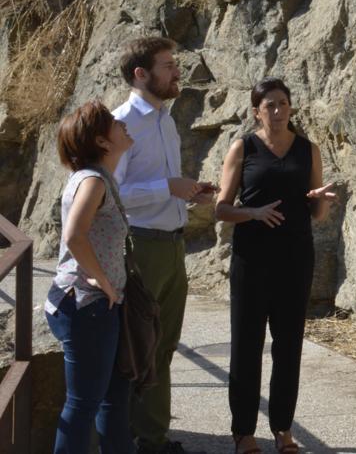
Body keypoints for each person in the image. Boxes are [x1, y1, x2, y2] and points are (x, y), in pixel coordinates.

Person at [214, 78, 336, 454]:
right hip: (252, 260)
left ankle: (283, 429)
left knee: (288, 347)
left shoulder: (307, 150)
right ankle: (244, 432)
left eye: (284, 104)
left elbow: (317, 213)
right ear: (256, 112)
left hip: (295, 259)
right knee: (246, 346)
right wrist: (251, 212)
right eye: (270, 105)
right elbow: (221, 209)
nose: (279, 111)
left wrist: (323, 199)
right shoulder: (243, 147)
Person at [112, 37, 216, 454]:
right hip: (141, 245)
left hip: (173, 246)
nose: (177, 71)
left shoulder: (165, 120)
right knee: (137, 345)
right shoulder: (121, 123)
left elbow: (162, 186)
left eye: (175, 63)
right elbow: (110, 192)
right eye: (168, 65)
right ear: (142, 73)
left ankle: (152, 440)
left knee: (164, 344)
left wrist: (188, 192)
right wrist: (166, 187)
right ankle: (124, 439)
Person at [44, 101, 135, 453]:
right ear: (101, 141)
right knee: (82, 405)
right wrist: (104, 282)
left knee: (112, 399)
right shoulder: (94, 181)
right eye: (114, 122)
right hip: (87, 304)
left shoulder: (96, 178)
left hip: (95, 305)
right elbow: (74, 236)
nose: (122, 124)